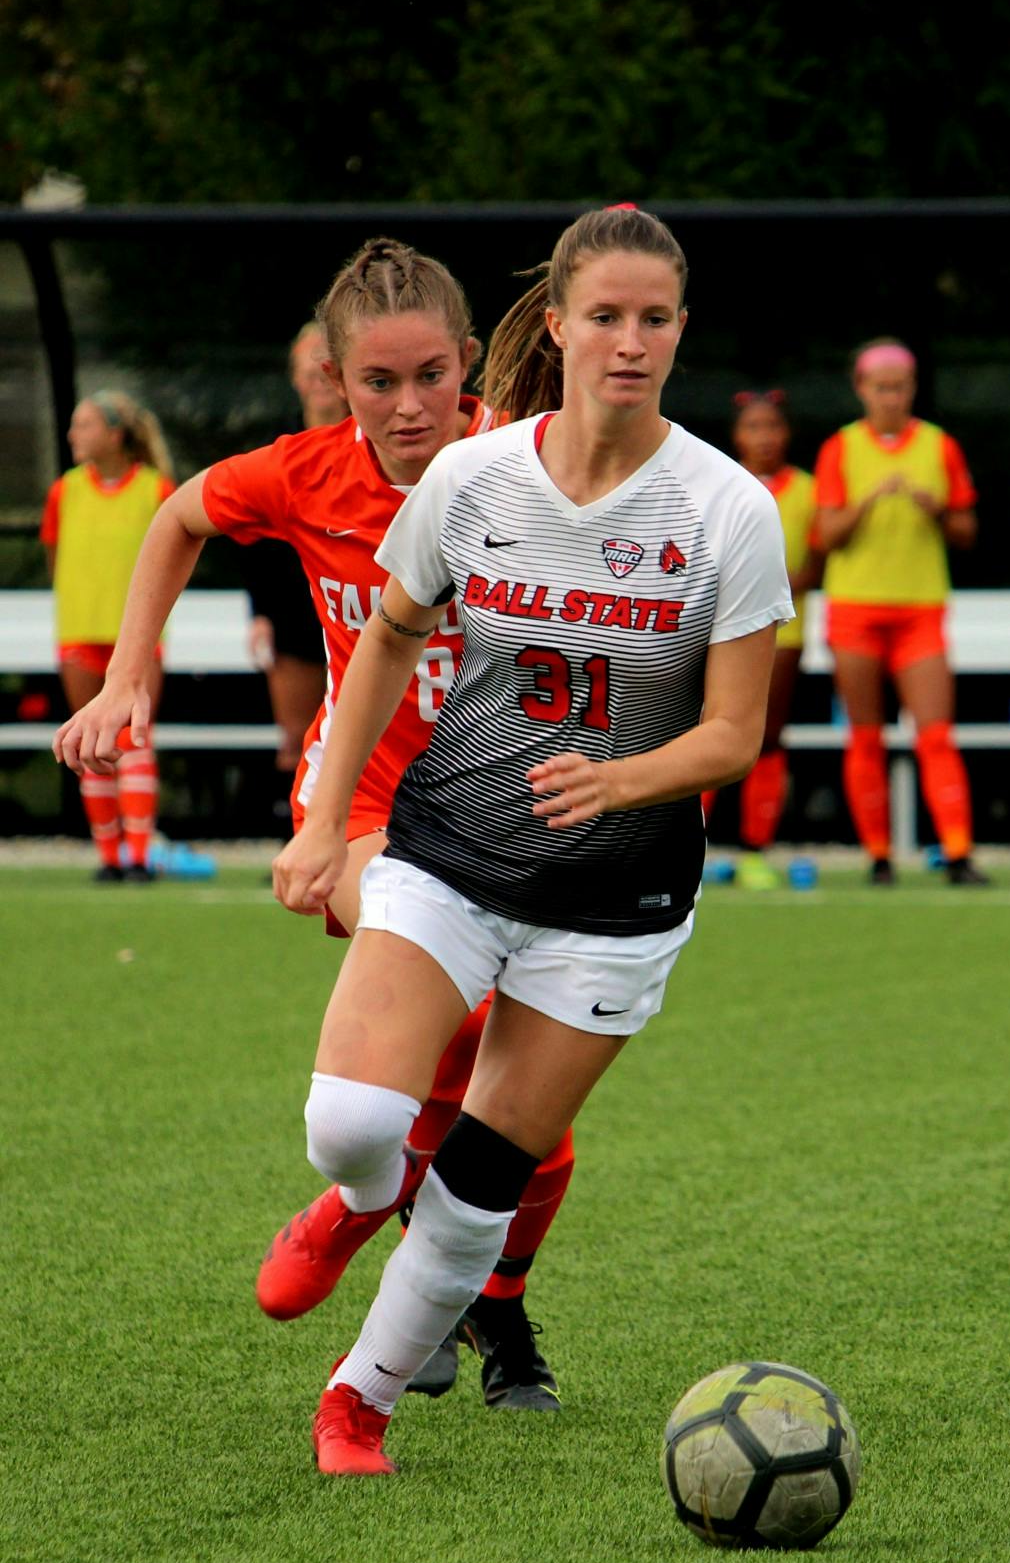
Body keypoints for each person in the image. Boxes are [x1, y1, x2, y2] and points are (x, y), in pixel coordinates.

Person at [249, 201, 787, 1477]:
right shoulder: (473, 476)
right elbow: (385, 641)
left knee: (481, 1182)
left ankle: (357, 1405)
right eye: (604, 315)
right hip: (447, 853)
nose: (629, 341)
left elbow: (734, 734)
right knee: (350, 1119)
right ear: (556, 325)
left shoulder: (729, 507)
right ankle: (361, 1194)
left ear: (681, 330)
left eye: (654, 318)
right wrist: (324, 819)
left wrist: (622, 779)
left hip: (616, 900)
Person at [53, 239, 575, 1410]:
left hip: (509, 814)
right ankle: (370, 1212)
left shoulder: (528, 467)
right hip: (364, 811)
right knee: (454, 1023)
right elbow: (177, 516)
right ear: (335, 379)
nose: (408, 405)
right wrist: (130, 673)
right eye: (377, 381)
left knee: (534, 1122)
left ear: (467, 363)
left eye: (430, 375)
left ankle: (488, 1301)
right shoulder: (303, 473)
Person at [813, 339, 987, 886]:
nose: (890, 397)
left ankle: (957, 851)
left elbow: (966, 531)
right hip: (855, 610)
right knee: (866, 735)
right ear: (861, 389)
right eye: (880, 387)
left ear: (912, 389)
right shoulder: (840, 448)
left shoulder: (939, 446)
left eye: (899, 387)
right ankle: (879, 855)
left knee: (935, 733)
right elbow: (826, 535)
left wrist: (937, 510)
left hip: (919, 609)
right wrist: (865, 503)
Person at [41, 392, 174, 882]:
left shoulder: (155, 489)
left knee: (133, 738)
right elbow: (56, 556)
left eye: (86, 425)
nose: (74, 434)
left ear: (115, 434)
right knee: (88, 739)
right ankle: (109, 857)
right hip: (80, 630)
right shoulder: (66, 490)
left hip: (137, 636)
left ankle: (138, 854)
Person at [240, 322, 348, 827]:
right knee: (299, 737)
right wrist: (259, 614)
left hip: (359, 606)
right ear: (295, 376)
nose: (319, 376)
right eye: (309, 364)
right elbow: (253, 542)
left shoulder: (377, 446)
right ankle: (301, 839)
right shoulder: (276, 451)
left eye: (327, 364)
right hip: (293, 612)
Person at [727, 389, 822, 889]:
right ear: (737, 435)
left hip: (785, 630)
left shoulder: (809, 489)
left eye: (773, 427)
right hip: (721, 629)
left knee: (766, 735)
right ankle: (688, 844)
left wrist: (768, 590)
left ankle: (754, 849)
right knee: (701, 729)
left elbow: (817, 564)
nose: (764, 437)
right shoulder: (721, 480)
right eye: (753, 427)